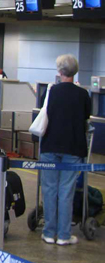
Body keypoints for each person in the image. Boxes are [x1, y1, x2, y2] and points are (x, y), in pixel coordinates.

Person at [40, 54, 91, 246]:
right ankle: (63, 235)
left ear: (59, 71)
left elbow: (44, 113)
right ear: (74, 71)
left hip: (50, 146)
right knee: (66, 191)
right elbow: (86, 116)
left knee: (50, 189)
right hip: (73, 147)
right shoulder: (83, 94)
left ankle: (48, 232)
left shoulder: (51, 91)